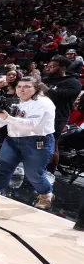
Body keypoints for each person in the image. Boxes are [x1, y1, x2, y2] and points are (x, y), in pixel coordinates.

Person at [0, 77, 56, 210]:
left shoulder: (44, 103)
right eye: (19, 86)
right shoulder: (15, 102)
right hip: (13, 140)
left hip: (37, 141)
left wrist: (7, 117)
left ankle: (46, 193)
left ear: (36, 89)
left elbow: (31, 124)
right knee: (2, 169)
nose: (22, 89)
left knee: (33, 174)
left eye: (27, 86)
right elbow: (5, 121)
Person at [43, 55, 81, 183]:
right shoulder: (47, 79)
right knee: (38, 144)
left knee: (52, 146)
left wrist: (43, 87)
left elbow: (59, 95)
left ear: (63, 67)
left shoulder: (73, 83)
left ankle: (50, 173)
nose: (49, 68)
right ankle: (38, 170)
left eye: (53, 66)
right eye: (49, 66)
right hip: (40, 115)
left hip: (57, 118)